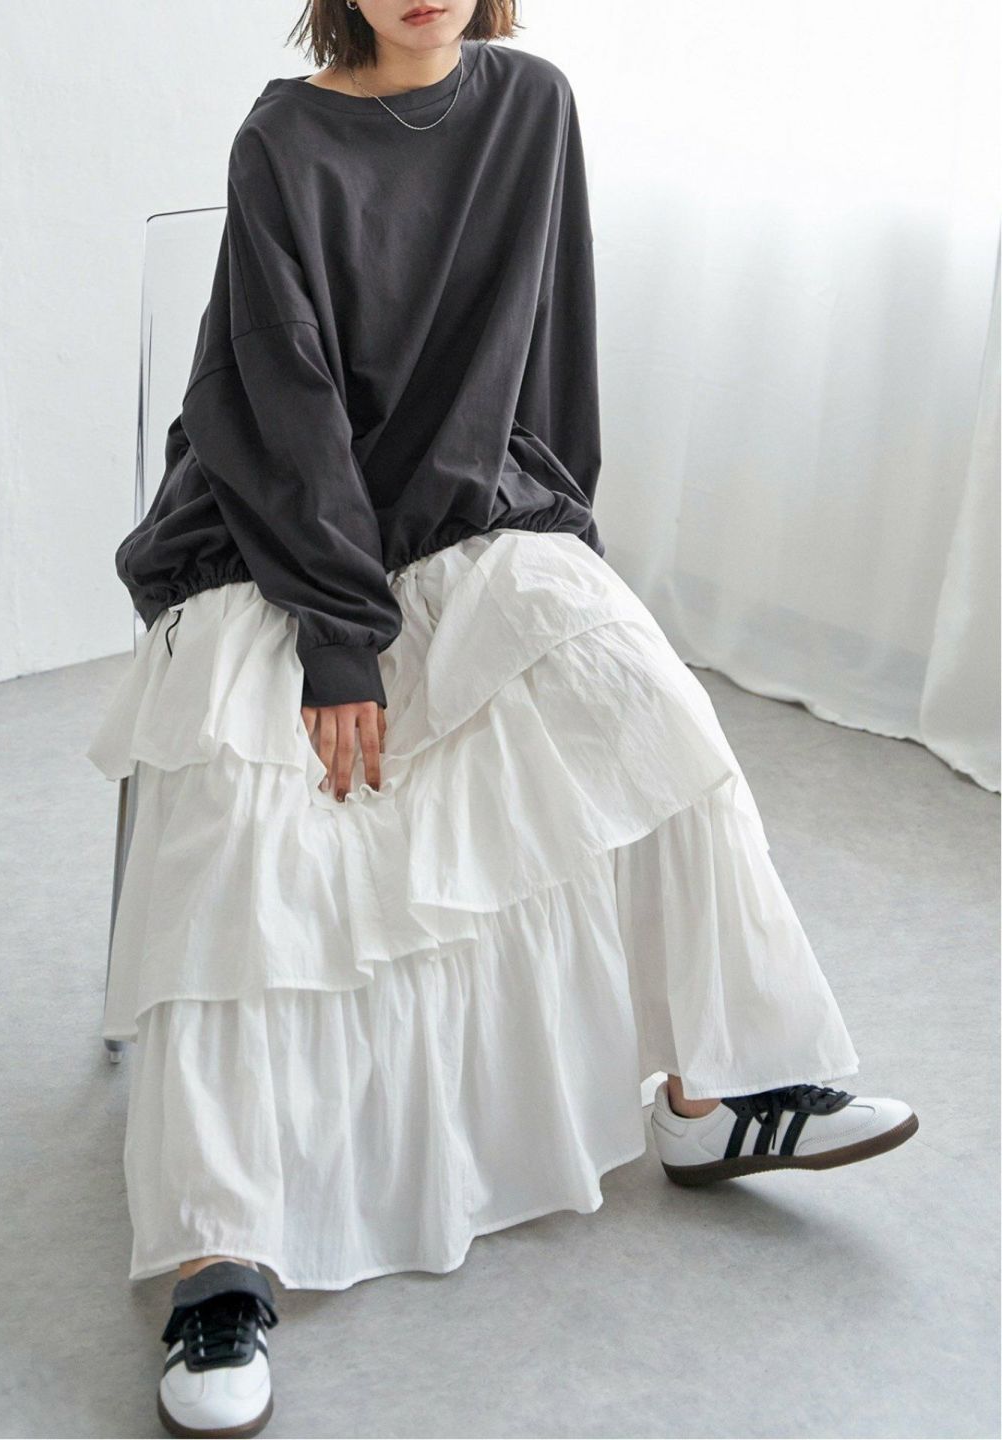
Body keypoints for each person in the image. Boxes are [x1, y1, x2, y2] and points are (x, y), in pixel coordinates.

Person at [85, 4, 918, 1436]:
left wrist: (563, 552)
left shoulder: (533, 105)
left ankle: (716, 1093)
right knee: (239, 817)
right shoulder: (284, 136)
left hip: (471, 508)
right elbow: (274, 396)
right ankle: (218, 1256)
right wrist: (342, 633)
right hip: (274, 529)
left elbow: (551, 352)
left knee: (647, 704)